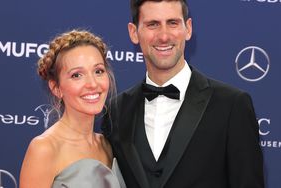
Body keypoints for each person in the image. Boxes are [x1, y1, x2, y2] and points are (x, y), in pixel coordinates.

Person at [102, 0, 265, 188]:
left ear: (188, 29)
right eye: (152, 24)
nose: (164, 36)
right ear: (133, 32)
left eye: (172, 23)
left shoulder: (231, 105)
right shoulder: (116, 111)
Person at [20, 30, 126, 188]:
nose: (92, 84)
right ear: (56, 88)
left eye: (98, 71)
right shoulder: (44, 149)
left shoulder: (106, 145)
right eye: (77, 75)